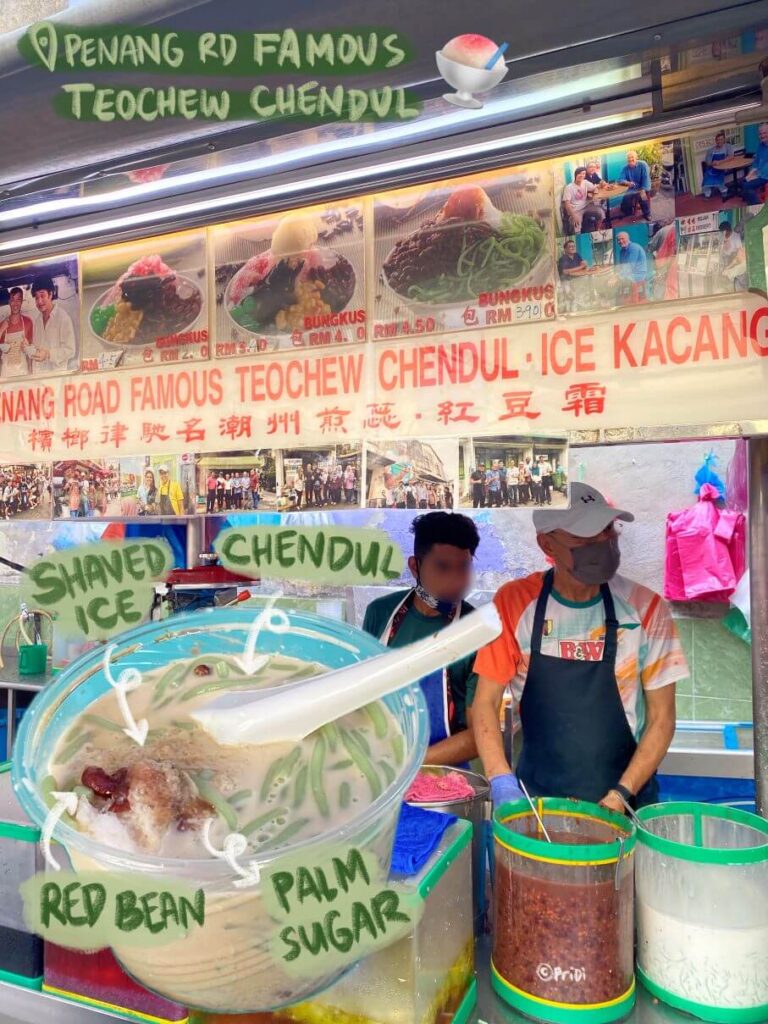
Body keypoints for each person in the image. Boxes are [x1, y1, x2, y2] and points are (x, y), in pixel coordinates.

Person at [471, 483, 687, 811]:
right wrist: (500, 779)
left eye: (607, 532)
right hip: (536, 807)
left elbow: (662, 718)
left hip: (626, 803)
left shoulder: (646, 609)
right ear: (547, 544)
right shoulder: (514, 603)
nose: (601, 545)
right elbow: (485, 703)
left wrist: (619, 796)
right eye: (584, 539)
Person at [363, 512, 481, 768]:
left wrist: (411, 764)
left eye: (464, 567)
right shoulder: (381, 614)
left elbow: (479, 735)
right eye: (442, 567)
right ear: (415, 566)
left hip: (447, 773)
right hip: (381, 765)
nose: (455, 580)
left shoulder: (477, 631)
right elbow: (363, 699)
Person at [28, 275, 76, 374]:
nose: (39, 301)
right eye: (36, 298)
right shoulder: (37, 321)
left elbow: (70, 350)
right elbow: (37, 348)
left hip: (57, 378)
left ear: (50, 294)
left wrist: (48, 354)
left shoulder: (63, 318)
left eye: (42, 296)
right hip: (40, 378)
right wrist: (28, 347)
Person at [0, 288, 34, 379]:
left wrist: (31, 375)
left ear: (22, 301)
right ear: (9, 302)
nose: (15, 304)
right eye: (12, 300)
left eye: (18, 300)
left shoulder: (27, 322)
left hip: (23, 374)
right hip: (5, 375)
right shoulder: (2, 325)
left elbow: (30, 353)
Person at [562, 167, 604, 233]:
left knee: (601, 212)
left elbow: (594, 187)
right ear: (575, 174)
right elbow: (567, 204)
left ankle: (597, 229)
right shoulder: (568, 187)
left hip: (586, 206)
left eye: (583, 174)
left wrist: (597, 188)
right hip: (576, 210)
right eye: (579, 173)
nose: (582, 175)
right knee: (576, 225)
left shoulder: (585, 182)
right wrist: (573, 216)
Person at [618, 150, 652, 221]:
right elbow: (620, 179)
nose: (630, 159)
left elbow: (646, 178)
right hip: (632, 187)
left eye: (632, 157)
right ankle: (628, 211)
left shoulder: (643, 164)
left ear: (636, 157)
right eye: (629, 158)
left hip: (642, 186)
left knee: (642, 196)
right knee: (626, 197)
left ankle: (647, 213)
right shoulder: (625, 168)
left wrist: (643, 189)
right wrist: (627, 182)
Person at [616, 231, 648, 304]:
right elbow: (622, 267)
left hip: (638, 274)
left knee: (618, 282)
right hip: (629, 274)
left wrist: (618, 277)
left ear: (628, 238)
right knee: (611, 282)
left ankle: (631, 303)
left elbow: (630, 266)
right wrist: (616, 275)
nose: (620, 241)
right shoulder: (622, 251)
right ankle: (620, 302)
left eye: (622, 239)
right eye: (618, 240)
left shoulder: (634, 247)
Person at [741, 123, 768, 206]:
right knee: (743, 181)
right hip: (760, 174)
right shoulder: (760, 146)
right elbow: (756, 164)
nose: (762, 135)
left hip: (766, 176)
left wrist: (756, 176)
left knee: (747, 186)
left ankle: (758, 207)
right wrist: (749, 176)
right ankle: (753, 201)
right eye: (760, 134)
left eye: (765, 133)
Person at [702, 131, 734, 199]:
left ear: (724, 140)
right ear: (716, 141)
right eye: (718, 140)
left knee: (720, 178)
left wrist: (720, 162)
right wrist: (712, 163)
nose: (719, 141)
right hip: (711, 169)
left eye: (721, 139)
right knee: (706, 180)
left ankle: (724, 191)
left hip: (722, 168)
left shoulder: (728, 147)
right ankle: (707, 194)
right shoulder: (711, 150)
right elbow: (707, 162)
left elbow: (731, 157)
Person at [719, 221, 748, 289]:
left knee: (731, 277)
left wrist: (732, 263)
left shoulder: (735, 236)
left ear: (727, 230)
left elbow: (739, 251)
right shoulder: (723, 236)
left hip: (732, 258)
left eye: (723, 231)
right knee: (726, 274)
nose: (723, 234)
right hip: (726, 260)